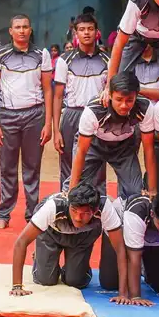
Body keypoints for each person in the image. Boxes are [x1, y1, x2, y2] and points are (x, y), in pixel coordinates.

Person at [0, 14, 53, 229]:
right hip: (7, 116)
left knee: (32, 168)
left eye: (25, 26)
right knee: (7, 167)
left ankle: (32, 215)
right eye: (18, 27)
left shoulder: (40, 54)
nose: (22, 30)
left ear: (30, 29)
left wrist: (48, 122)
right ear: (10, 31)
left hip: (34, 115)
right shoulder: (0, 54)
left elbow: (47, 89)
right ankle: (4, 215)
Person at [9, 183, 127, 294]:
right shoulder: (53, 207)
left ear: (95, 211)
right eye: (74, 210)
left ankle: (76, 265)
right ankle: (40, 257)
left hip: (83, 237)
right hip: (51, 233)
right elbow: (21, 242)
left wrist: (123, 293)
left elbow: (120, 248)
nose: (78, 218)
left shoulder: (105, 208)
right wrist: (17, 286)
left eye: (84, 213)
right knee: (45, 280)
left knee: (76, 282)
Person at [68, 72, 159, 202]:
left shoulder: (145, 108)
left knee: (135, 194)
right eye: (119, 99)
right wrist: (72, 190)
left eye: (130, 100)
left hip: (124, 148)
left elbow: (148, 149)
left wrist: (152, 189)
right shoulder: (94, 110)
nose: (124, 105)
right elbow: (81, 151)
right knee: (78, 191)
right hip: (93, 146)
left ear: (137, 95)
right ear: (110, 94)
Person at [53, 13, 110, 188]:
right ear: (75, 33)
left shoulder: (107, 60)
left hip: (97, 116)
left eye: (90, 29)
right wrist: (56, 130)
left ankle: (98, 206)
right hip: (72, 115)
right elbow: (57, 96)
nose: (86, 33)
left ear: (97, 33)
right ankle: (67, 204)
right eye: (82, 30)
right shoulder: (64, 60)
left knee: (97, 164)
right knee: (68, 164)